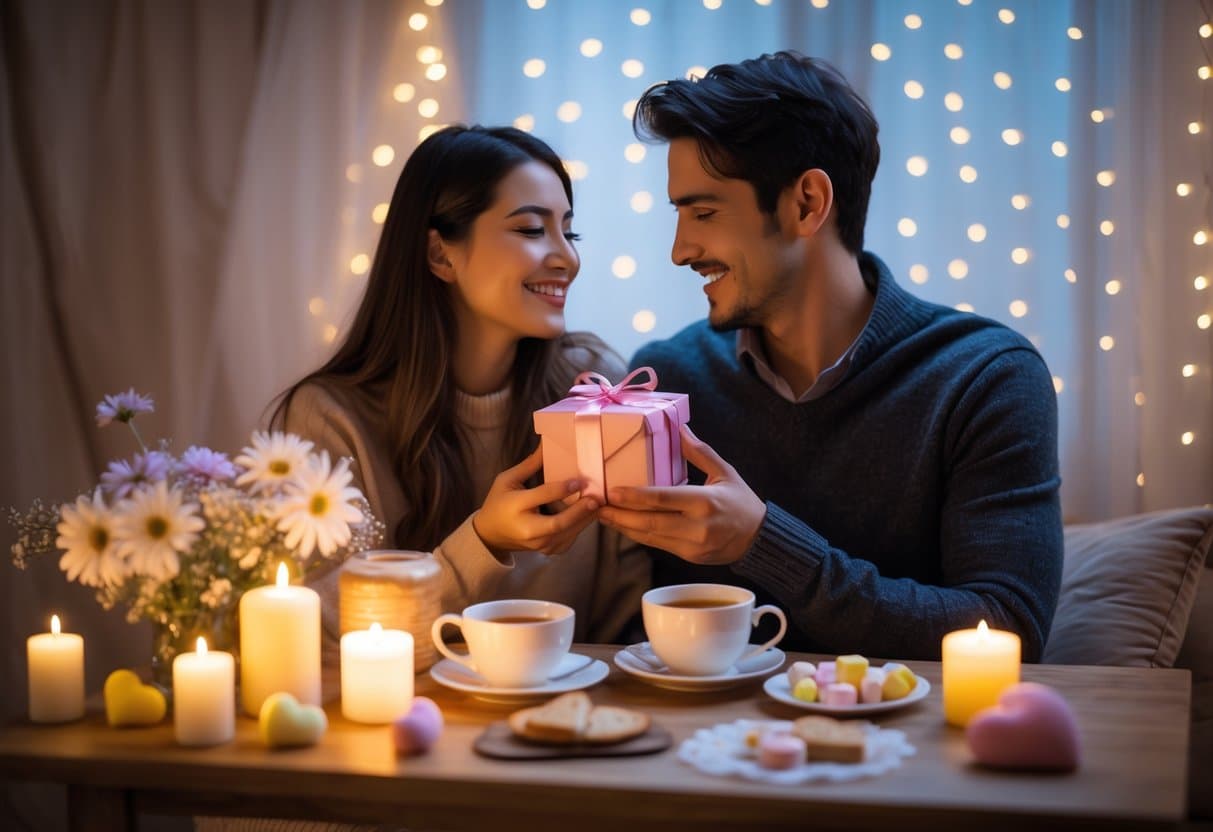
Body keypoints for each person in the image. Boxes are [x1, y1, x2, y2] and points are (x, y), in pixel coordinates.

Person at [598, 52, 1062, 662]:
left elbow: (1009, 632)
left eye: (704, 212)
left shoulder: (984, 379)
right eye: (679, 215)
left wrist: (765, 542)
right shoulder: (672, 379)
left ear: (807, 203)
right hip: (710, 723)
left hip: (908, 724)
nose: (680, 250)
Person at [271, 125, 648, 669]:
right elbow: (323, 631)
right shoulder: (331, 418)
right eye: (531, 229)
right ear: (440, 255)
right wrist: (483, 542)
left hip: (572, 708)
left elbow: (626, 622)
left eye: (570, 233)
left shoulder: (593, 388)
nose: (567, 258)